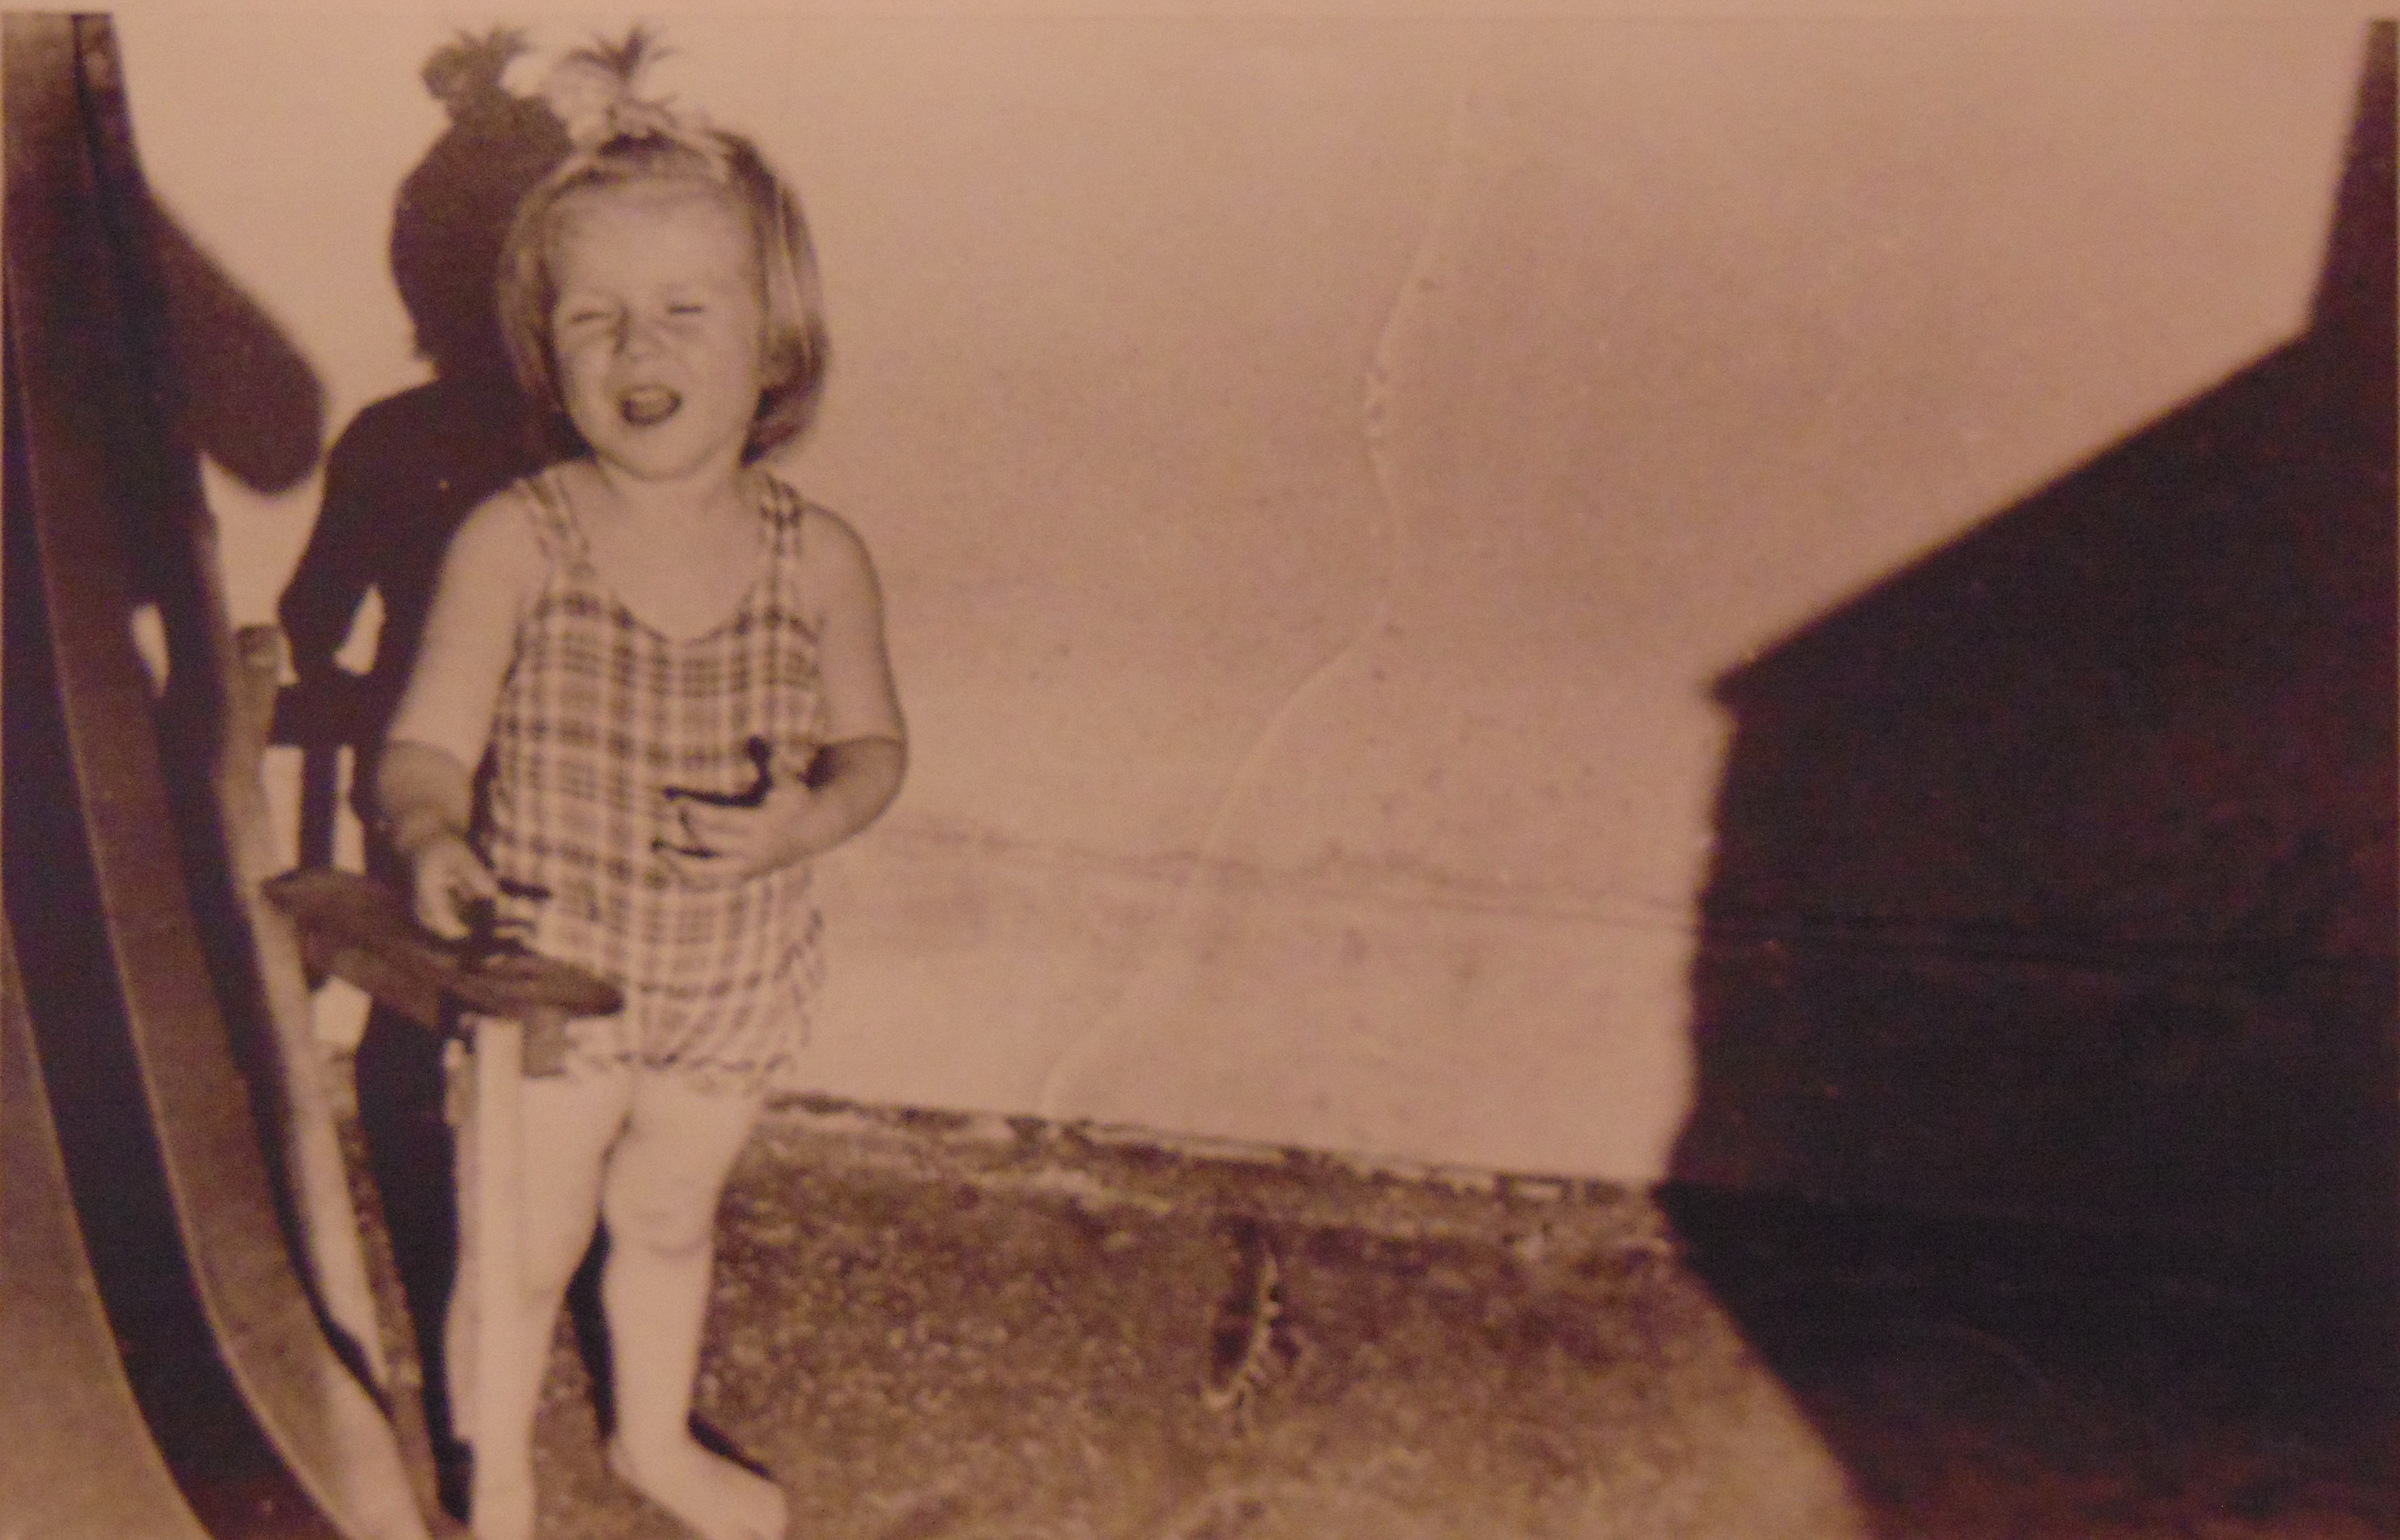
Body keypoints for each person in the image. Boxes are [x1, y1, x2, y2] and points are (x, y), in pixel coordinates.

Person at [375, 37, 905, 1540]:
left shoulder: (820, 559)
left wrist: (808, 820)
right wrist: (428, 830)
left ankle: (651, 1442)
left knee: (669, 1219)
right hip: (550, 980)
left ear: (775, 345)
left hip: (730, 983)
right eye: (592, 316)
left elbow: (874, 753)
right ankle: (496, 1480)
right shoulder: (517, 540)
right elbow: (423, 746)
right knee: (523, 1242)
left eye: (684, 310)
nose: (635, 347)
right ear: (547, 353)